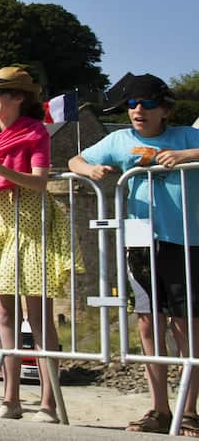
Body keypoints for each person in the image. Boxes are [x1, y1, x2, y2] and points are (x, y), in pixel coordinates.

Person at [69, 74, 199, 435]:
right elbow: (74, 159)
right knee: (147, 321)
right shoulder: (119, 139)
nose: (138, 111)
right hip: (140, 239)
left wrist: (188, 155)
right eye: (131, 104)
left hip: (186, 239)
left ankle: (189, 410)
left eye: (147, 104)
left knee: (186, 324)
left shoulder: (188, 136)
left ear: (165, 110)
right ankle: (158, 408)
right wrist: (91, 169)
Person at [0, 65, 79, 422]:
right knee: (4, 314)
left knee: (37, 318)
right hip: (1, 221)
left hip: (33, 222)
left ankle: (48, 404)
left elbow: (39, 182)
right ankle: (11, 400)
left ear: (19, 97)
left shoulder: (35, 130)